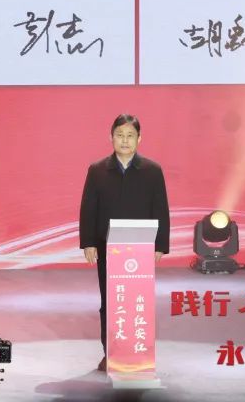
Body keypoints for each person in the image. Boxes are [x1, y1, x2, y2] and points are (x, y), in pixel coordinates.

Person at [79, 113, 170, 371]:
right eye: (120, 135)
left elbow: (160, 208)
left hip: (141, 248)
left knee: (137, 301)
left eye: (130, 135)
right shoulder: (97, 170)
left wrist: (160, 245)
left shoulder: (152, 171)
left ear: (139, 139)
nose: (125, 140)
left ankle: (136, 350)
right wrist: (89, 243)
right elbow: (88, 208)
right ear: (111, 137)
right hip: (107, 247)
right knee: (110, 301)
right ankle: (110, 352)